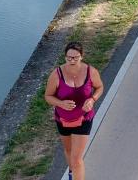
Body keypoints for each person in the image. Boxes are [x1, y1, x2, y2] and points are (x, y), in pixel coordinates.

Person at [45, 41, 104, 180]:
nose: (72, 60)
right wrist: (61, 103)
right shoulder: (56, 75)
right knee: (69, 150)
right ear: (65, 57)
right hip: (62, 120)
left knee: (76, 159)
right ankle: (72, 173)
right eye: (69, 57)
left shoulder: (91, 71)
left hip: (84, 119)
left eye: (75, 57)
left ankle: (75, 172)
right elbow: (48, 96)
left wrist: (92, 99)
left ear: (82, 56)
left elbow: (100, 87)